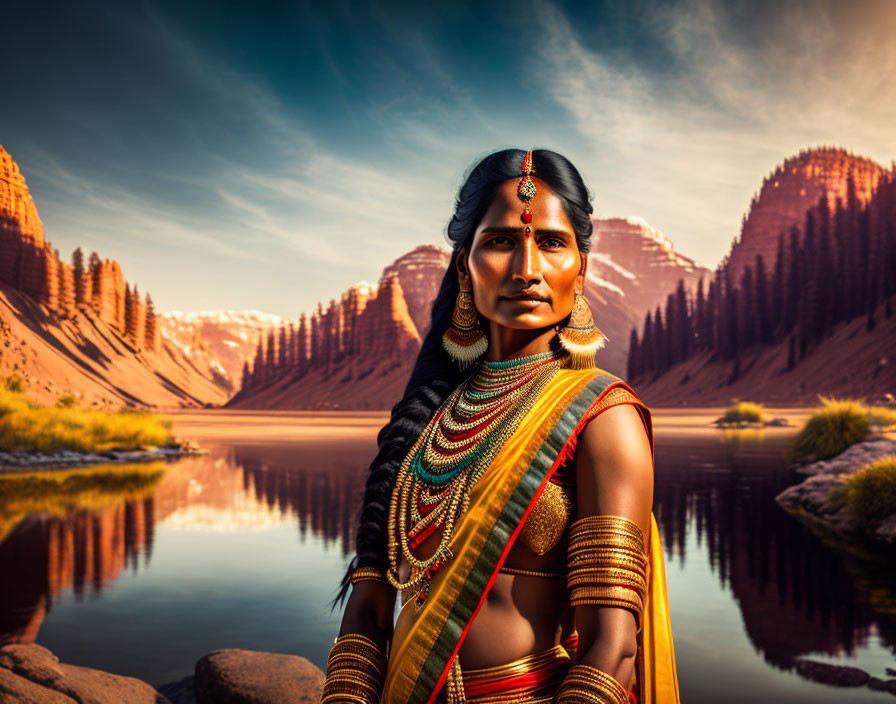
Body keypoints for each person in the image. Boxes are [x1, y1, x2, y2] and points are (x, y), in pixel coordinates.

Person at [321, 149, 680, 704]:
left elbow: (613, 650)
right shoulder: (428, 415)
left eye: (552, 242)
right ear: (465, 263)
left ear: (580, 267)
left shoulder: (602, 418)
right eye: (501, 241)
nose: (526, 268)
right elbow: (367, 617)